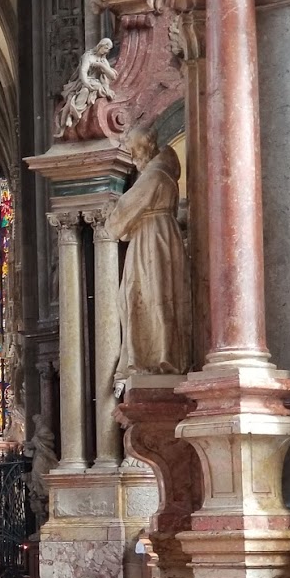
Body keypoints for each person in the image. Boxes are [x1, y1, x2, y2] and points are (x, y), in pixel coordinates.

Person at [105, 127, 192, 388]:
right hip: (164, 236)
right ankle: (163, 355)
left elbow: (123, 212)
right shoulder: (165, 173)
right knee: (159, 294)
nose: (132, 157)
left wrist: (110, 218)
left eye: (133, 150)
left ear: (143, 149)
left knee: (148, 295)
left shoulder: (153, 176)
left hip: (151, 240)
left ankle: (159, 359)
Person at [54, 38, 117, 138]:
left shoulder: (103, 60)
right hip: (83, 82)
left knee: (91, 90)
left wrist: (101, 66)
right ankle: (72, 114)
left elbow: (113, 76)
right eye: (106, 48)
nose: (107, 51)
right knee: (84, 91)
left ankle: (72, 113)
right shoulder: (88, 56)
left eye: (108, 49)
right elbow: (83, 72)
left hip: (96, 84)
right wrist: (87, 83)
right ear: (101, 46)